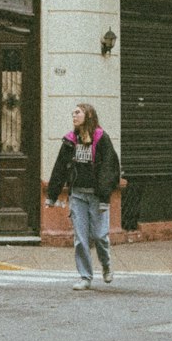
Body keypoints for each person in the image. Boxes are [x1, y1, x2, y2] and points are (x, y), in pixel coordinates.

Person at [46, 102, 120, 290]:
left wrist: (104, 198)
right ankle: (85, 276)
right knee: (80, 238)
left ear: (88, 115)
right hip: (77, 195)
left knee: (100, 235)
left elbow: (109, 168)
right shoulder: (70, 140)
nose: (74, 115)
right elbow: (60, 168)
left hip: (97, 196)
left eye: (78, 112)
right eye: (73, 113)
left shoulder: (101, 138)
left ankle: (106, 265)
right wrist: (52, 196)